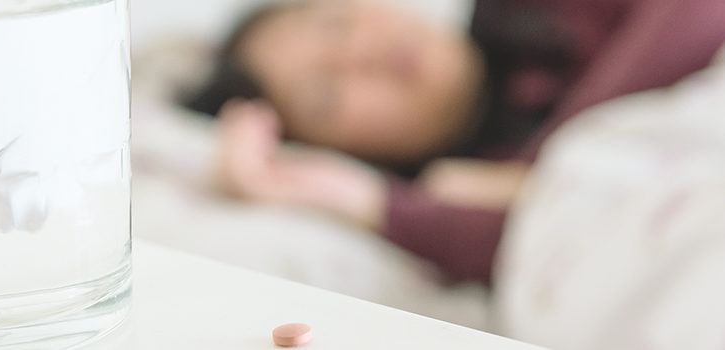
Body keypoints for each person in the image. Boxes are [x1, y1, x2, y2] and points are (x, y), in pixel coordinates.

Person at [184, 0, 725, 284]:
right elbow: (540, 252)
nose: (361, 53)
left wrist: (541, 170)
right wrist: (363, 200)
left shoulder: (531, 7)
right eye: (327, 92)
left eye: (336, 22)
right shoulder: (449, 197)